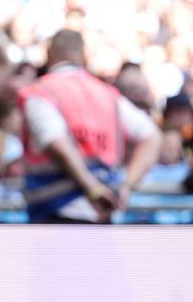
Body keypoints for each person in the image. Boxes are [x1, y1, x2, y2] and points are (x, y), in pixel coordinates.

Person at [17, 29, 162, 223]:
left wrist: (93, 189)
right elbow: (152, 136)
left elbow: (58, 146)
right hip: (102, 210)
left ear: (49, 55)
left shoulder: (40, 92)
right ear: (84, 56)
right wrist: (126, 186)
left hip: (55, 212)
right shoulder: (108, 94)